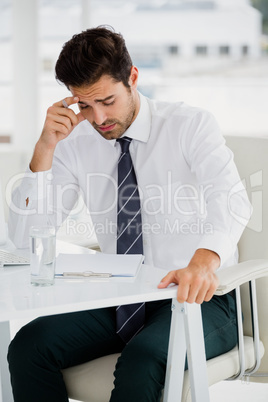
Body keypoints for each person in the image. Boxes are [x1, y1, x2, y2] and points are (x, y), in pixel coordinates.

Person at [7, 26, 251, 402]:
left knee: (142, 359)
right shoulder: (75, 143)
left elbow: (231, 199)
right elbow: (26, 241)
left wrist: (204, 260)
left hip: (199, 298)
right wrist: (44, 152)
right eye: (85, 105)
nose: (99, 117)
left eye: (107, 100)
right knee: (29, 345)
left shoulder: (189, 125)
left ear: (132, 77)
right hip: (120, 296)